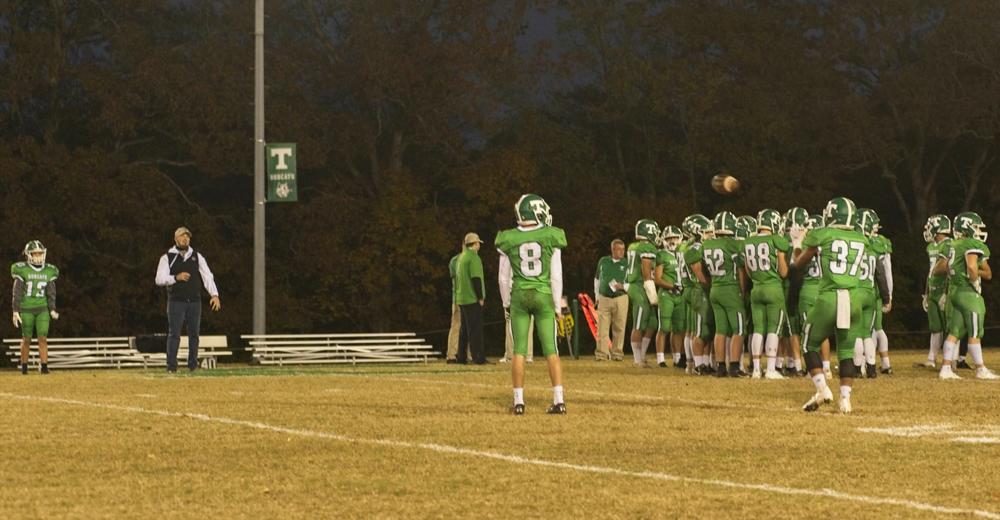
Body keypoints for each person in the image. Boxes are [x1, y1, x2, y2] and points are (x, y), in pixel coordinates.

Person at [792, 197, 889, 414]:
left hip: (830, 297)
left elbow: (798, 264)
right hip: (853, 298)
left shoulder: (823, 234)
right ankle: (845, 400)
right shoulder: (862, 239)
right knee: (846, 351)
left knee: (808, 344)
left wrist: (797, 243)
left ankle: (822, 390)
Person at [496, 193, 568, 415]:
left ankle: (519, 402)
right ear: (536, 212)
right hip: (543, 294)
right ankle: (559, 400)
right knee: (551, 349)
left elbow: (503, 278)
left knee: (519, 350)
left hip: (519, 295)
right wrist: (557, 305)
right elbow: (556, 275)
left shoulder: (508, 238)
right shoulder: (550, 235)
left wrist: (506, 303)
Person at [935, 212, 997, 380]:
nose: (978, 231)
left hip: (954, 292)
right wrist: (974, 280)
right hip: (968, 293)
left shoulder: (953, 244)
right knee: (975, 332)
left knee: (954, 332)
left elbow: (945, 267)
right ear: (967, 228)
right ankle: (980, 369)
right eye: (976, 227)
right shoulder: (971, 243)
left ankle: (945, 368)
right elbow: (971, 267)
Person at [154, 227, 221, 373]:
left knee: (194, 334)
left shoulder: (197, 256)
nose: (185, 239)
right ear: (175, 238)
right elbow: (159, 279)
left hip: (194, 302)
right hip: (176, 301)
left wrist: (214, 294)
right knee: (174, 334)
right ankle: (171, 366)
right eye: (182, 236)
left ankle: (193, 366)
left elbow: (207, 276)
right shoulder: (167, 257)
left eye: (187, 237)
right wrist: (175, 278)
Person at [741, 209, 789, 379]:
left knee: (758, 329)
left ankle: (755, 369)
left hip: (756, 289)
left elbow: (747, 269)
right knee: (773, 329)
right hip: (773, 288)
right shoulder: (776, 240)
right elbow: (783, 272)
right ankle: (770, 369)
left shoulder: (748, 241)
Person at [703, 211, 748, 377]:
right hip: (730, 288)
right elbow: (741, 270)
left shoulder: (706, 245)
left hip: (715, 288)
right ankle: (734, 367)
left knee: (720, 330)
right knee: (739, 329)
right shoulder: (733, 244)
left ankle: (721, 366)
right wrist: (742, 290)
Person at [12, 240, 60, 374]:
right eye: (35, 253)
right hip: (26, 308)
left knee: (43, 338)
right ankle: (24, 367)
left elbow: (51, 292)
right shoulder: (22, 269)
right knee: (26, 339)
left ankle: (44, 367)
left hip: (42, 308)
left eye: (40, 253)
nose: (38, 256)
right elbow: (17, 292)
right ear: (29, 255)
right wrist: (15, 310)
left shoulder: (49, 270)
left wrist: (52, 309)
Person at [626, 219, 661, 367]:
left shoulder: (634, 246)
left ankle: (642, 355)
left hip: (638, 285)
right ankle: (637, 359)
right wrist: (651, 290)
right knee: (639, 324)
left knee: (652, 323)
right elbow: (646, 270)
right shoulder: (647, 247)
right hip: (640, 286)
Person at [918, 215, 951, 368]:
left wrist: (947, 291)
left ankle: (951, 360)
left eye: (930, 226)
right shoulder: (931, 247)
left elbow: (951, 271)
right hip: (933, 290)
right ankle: (931, 359)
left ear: (937, 229)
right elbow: (930, 272)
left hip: (944, 290)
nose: (928, 230)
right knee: (935, 327)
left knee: (950, 328)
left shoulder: (950, 245)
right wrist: (926, 293)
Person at [455, 232, 488, 364]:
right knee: (475, 329)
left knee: (464, 329)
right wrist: (480, 297)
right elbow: (476, 278)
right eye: (478, 243)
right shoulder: (474, 258)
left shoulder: (461, 257)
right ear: (474, 244)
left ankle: (461, 356)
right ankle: (478, 357)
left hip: (461, 297)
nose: (479, 245)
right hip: (471, 298)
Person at [593, 239, 628, 361]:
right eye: (619, 249)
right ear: (613, 249)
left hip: (620, 297)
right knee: (602, 328)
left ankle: (617, 353)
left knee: (619, 327)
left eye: (623, 249)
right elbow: (597, 279)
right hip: (604, 297)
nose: (622, 252)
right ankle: (602, 354)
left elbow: (633, 282)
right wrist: (597, 296)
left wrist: (623, 286)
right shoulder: (603, 261)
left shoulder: (627, 263)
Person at [446, 243, 462, 363]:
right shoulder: (458, 260)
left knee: (457, 326)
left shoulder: (454, 260)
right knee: (459, 326)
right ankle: (454, 354)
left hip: (457, 297)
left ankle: (453, 354)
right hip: (462, 298)